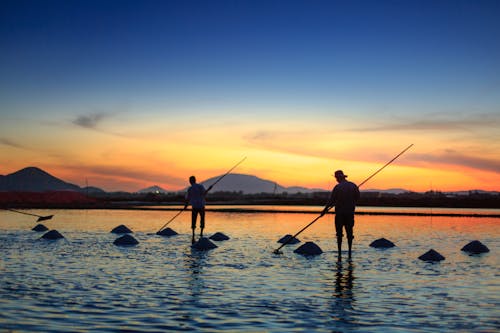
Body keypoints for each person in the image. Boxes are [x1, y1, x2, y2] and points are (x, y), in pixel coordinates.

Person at [321, 170, 360, 259]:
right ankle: (349, 252)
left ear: (338, 178)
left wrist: (324, 210)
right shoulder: (353, 186)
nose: (336, 180)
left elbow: (331, 200)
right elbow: (357, 198)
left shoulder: (338, 187)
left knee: (339, 234)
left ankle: (339, 253)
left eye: (336, 178)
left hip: (339, 214)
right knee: (349, 233)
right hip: (350, 213)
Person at [184, 176, 213, 244]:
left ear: (190, 181)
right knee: (202, 219)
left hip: (194, 207)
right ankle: (201, 233)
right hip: (201, 206)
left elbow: (188, 198)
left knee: (193, 220)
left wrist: (185, 206)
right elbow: (204, 193)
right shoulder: (200, 186)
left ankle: (193, 234)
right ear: (195, 180)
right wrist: (209, 189)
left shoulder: (190, 189)